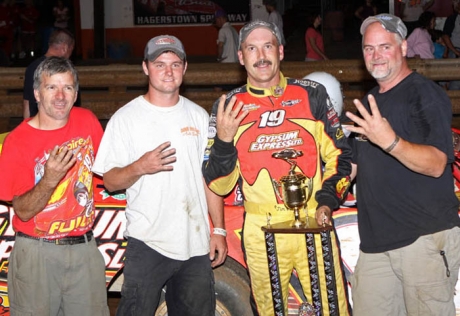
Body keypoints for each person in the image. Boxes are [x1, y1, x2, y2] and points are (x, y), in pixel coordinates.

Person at [202, 20, 352, 316]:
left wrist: (326, 203)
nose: (261, 55)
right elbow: (218, 184)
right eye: (252, 48)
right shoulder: (228, 106)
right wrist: (223, 141)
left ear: (281, 51)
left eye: (268, 46)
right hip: (261, 228)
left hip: (313, 220)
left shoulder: (312, 94)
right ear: (241, 56)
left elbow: (341, 156)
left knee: (331, 309)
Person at [92, 35, 227, 316]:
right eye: (160, 64)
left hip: (195, 244)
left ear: (185, 68)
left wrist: (219, 229)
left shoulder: (198, 116)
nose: (168, 71)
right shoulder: (125, 118)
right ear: (145, 68)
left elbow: (209, 179)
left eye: (175, 64)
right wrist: (140, 166)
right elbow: (110, 181)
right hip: (148, 243)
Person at [345, 13, 460, 316]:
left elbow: (437, 163)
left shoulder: (425, 94)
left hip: (422, 240)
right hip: (376, 243)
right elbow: (350, 165)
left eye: (385, 46)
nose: (376, 55)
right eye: (369, 48)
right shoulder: (370, 101)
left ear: (404, 47)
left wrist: (390, 141)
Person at [0, 56, 108, 315]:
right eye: (52, 88)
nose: (60, 96)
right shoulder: (17, 141)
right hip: (37, 253)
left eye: (67, 88)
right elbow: (23, 211)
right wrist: (49, 179)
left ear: (76, 93)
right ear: (37, 93)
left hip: (84, 248)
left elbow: (108, 173)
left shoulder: (87, 121)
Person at [23, 27, 79, 119]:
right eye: (71, 50)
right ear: (65, 48)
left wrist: (26, 128)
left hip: (37, 124)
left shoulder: (32, 67)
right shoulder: (67, 71)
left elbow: (27, 103)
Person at [442, 0, 460, 90]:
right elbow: (445, 36)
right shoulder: (453, 19)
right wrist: (455, 51)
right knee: (455, 78)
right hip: (456, 50)